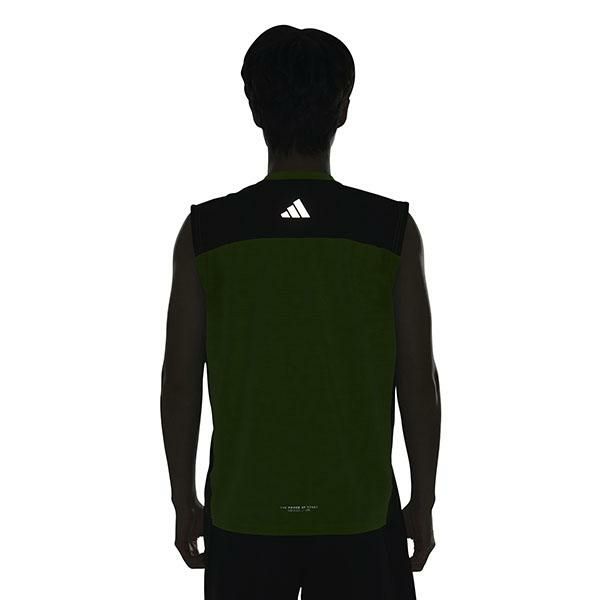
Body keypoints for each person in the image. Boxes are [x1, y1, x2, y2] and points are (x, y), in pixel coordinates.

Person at [161, 25, 441, 600]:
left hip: (244, 513)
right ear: (343, 109)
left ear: (254, 108)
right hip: (359, 513)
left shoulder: (207, 233)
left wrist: (183, 499)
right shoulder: (389, 232)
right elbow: (418, 379)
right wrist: (424, 499)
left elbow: (180, 379)